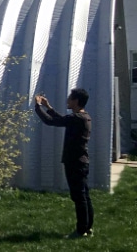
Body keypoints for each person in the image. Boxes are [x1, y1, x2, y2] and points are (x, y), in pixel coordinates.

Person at [34, 89, 94, 239]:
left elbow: (50, 121)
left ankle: (81, 230)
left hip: (75, 163)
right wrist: (48, 107)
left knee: (79, 197)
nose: (68, 100)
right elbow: (62, 119)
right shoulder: (83, 117)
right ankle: (87, 227)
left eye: (70, 98)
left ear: (76, 101)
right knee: (84, 196)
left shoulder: (78, 118)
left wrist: (37, 107)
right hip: (81, 162)